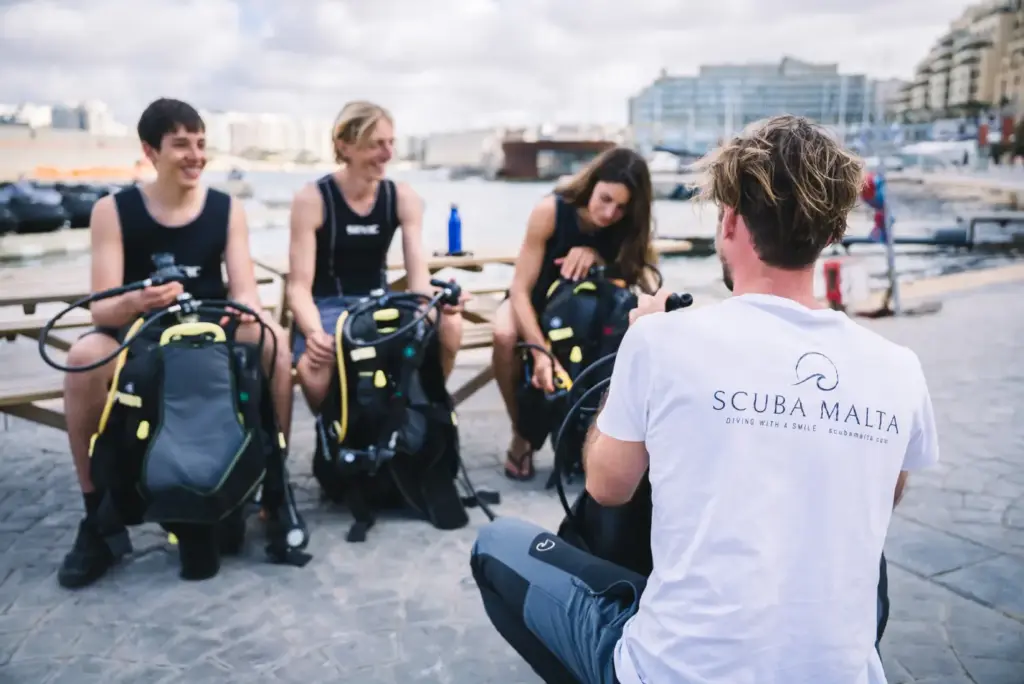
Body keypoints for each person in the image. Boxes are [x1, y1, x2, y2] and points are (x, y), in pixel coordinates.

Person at [470, 115, 940, 683]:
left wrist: (634, 347)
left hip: (674, 672)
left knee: (496, 544)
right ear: (832, 232)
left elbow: (606, 486)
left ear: (730, 219)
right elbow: (883, 494)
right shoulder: (898, 368)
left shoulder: (661, 339)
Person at [58, 98, 294, 589]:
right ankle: (97, 518)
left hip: (207, 332)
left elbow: (245, 291)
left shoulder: (226, 209)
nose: (196, 156)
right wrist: (138, 300)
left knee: (273, 338)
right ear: (150, 151)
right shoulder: (112, 211)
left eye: (201, 144)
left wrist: (243, 309)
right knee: (82, 359)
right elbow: (101, 309)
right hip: (141, 334)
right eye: (181, 144)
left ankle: (275, 493)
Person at [287, 100, 465, 413]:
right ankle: (339, 429)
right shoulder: (312, 199)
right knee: (315, 370)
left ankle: (420, 411)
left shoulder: (402, 196)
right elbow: (298, 288)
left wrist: (437, 306)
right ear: (344, 146)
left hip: (379, 304)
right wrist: (315, 334)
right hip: (328, 306)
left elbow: (418, 278)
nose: (387, 154)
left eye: (390, 143)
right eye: (376, 145)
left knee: (449, 326)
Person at [494, 147, 657, 481]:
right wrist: (540, 352)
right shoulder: (550, 211)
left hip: (586, 314)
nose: (609, 213)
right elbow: (520, 290)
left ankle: (597, 437)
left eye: (621, 207)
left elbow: (645, 280)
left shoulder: (628, 227)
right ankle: (522, 434)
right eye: (605, 199)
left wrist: (598, 257)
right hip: (533, 299)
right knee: (504, 335)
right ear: (591, 184)